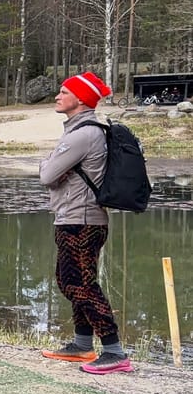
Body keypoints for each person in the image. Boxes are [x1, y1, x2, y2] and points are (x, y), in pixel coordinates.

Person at [38, 71, 131, 374]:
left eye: (64, 92)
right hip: (78, 217)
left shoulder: (82, 134)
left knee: (77, 282)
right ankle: (81, 344)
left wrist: (48, 164)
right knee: (75, 280)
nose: (57, 96)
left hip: (80, 219)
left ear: (79, 99)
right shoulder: (86, 131)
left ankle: (114, 351)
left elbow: (47, 175)